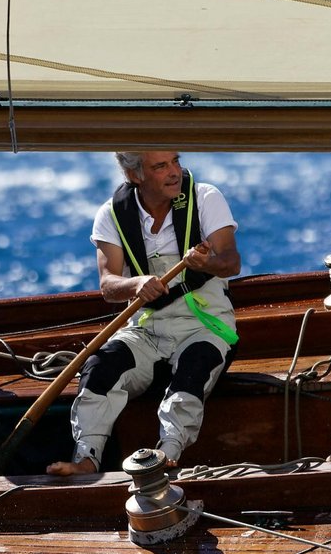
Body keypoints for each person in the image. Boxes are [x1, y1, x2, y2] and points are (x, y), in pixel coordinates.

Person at [47, 151, 240, 475]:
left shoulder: (206, 197)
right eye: (160, 166)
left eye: (175, 161)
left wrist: (206, 263)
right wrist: (136, 284)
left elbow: (232, 263)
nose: (174, 172)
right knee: (100, 367)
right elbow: (109, 286)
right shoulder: (111, 215)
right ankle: (87, 459)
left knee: (194, 368)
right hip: (147, 327)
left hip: (205, 323)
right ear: (134, 174)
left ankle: (167, 452)